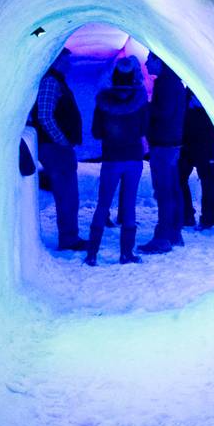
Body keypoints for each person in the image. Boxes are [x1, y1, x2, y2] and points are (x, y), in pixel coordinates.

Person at [85, 54, 150, 266]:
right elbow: (144, 129)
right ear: (133, 76)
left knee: (103, 204)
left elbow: (96, 132)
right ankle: (126, 254)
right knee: (129, 205)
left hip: (112, 157)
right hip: (133, 157)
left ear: (114, 76)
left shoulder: (103, 101)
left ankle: (92, 254)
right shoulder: (140, 101)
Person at [30, 49, 84, 251]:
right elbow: (44, 115)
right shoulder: (51, 82)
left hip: (58, 148)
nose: (69, 64)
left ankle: (70, 236)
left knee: (69, 193)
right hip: (55, 149)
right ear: (57, 60)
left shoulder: (57, 80)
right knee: (67, 193)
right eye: (66, 60)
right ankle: (69, 239)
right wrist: (62, 140)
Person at [139, 52, 187, 254]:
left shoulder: (164, 83)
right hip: (172, 142)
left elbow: (163, 112)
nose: (146, 63)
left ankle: (163, 237)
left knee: (164, 190)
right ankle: (175, 233)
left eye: (150, 59)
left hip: (163, 143)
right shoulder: (175, 81)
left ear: (159, 61)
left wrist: (146, 107)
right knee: (173, 188)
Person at [179, 93, 214, 229]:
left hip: (207, 145)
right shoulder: (189, 93)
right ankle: (187, 214)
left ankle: (207, 220)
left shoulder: (212, 95)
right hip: (189, 144)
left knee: (208, 182)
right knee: (180, 177)